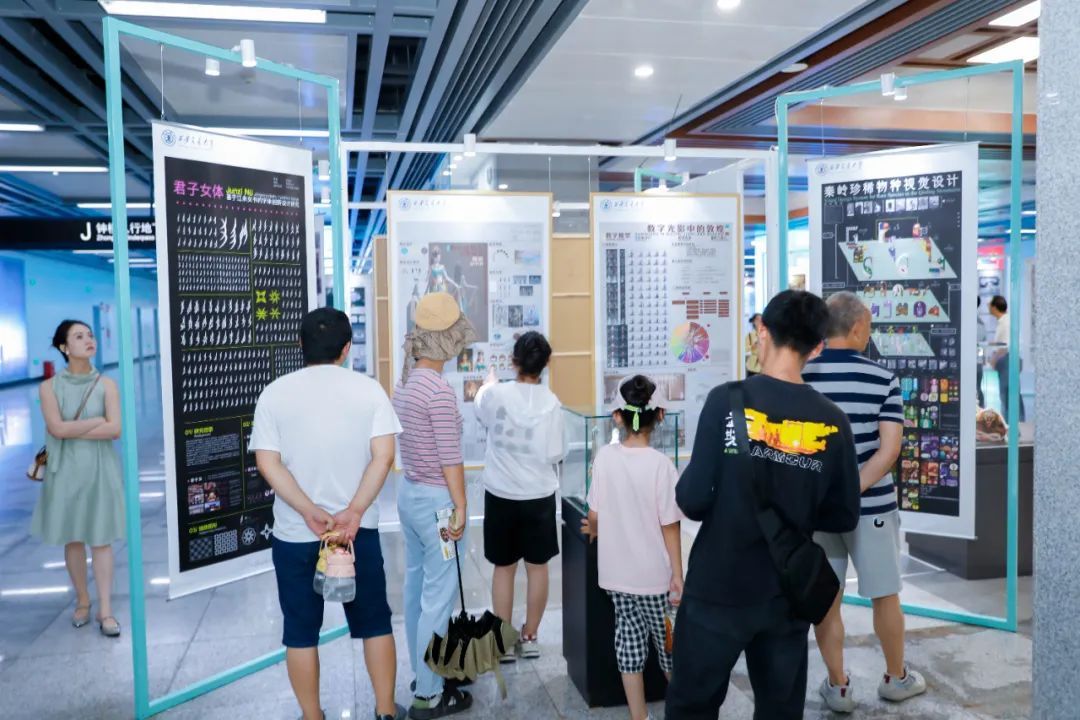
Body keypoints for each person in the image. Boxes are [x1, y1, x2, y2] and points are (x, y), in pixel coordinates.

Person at [665, 289, 861, 720]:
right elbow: (844, 514)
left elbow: (692, 500)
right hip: (786, 591)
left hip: (717, 587)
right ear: (818, 347)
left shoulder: (726, 401)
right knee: (780, 710)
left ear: (762, 330)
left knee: (691, 707)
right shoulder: (833, 420)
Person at [251, 308, 405, 720]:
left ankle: (312, 715)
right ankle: (385, 711)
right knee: (375, 622)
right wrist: (354, 511)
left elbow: (267, 462)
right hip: (357, 534)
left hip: (295, 533)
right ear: (347, 348)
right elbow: (384, 456)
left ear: (300, 344)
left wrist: (307, 510)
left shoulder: (274, 394)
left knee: (300, 632)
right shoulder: (369, 391)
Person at [803, 292, 926, 712]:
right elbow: (888, 451)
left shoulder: (802, 375)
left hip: (817, 511)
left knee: (826, 600)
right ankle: (896, 678)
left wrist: (829, 493)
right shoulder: (882, 378)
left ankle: (838, 686)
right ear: (857, 329)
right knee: (885, 595)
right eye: (869, 327)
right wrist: (851, 490)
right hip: (872, 508)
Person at [393, 292, 476, 719]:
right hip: (439, 505)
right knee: (438, 599)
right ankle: (428, 695)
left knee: (416, 589)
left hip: (409, 494)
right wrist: (460, 506)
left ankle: (421, 675)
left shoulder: (405, 382)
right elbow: (450, 459)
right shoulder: (439, 392)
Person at [581, 375, 682, 720]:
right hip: (655, 580)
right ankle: (684, 711)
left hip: (616, 578)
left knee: (629, 649)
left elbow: (594, 515)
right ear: (660, 416)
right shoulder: (662, 466)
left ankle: (639, 717)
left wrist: (595, 530)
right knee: (669, 649)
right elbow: (670, 526)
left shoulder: (605, 458)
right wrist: (678, 575)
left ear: (617, 417)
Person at [474, 331, 567, 662]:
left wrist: (488, 384)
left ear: (514, 361)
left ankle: (502, 641)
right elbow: (556, 452)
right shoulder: (552, 403)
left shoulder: (495, 394)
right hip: (538, 495)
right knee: (537, 568)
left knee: (504, 567)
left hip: (501, 493)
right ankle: (530, 636)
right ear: (545, 364)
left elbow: (481, 408)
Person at [31, 319, 125, 637]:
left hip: (100, 470)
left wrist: (75, 429)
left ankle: (105, 610)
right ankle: (83, 600)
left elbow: (115, 429)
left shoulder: (107, 385)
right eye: (79, 336)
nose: (89, 340)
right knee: (73, 538)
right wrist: (96, 421)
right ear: (64, 347)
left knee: (101, 539)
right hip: (65, 471)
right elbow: (56, 429)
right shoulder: (48, 388)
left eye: (90, 335)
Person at [988, 295, 1024, 421]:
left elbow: (1004, 346)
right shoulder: (1005, 321)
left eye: (989, 305)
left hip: (1008, 360)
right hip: (1010, 360)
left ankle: (1012, 425)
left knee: (1008, 395)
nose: (988, 307)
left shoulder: (1005, 323)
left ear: (994, 307)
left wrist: (993, 360)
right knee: (1011, 394)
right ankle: (1015, 423)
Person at [976, 297, 987, 408]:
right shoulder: (981, 323)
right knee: (977, 388)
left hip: (973, 362)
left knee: (976, 389)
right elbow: (981, 345)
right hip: (977, 362)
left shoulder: (974, 322)